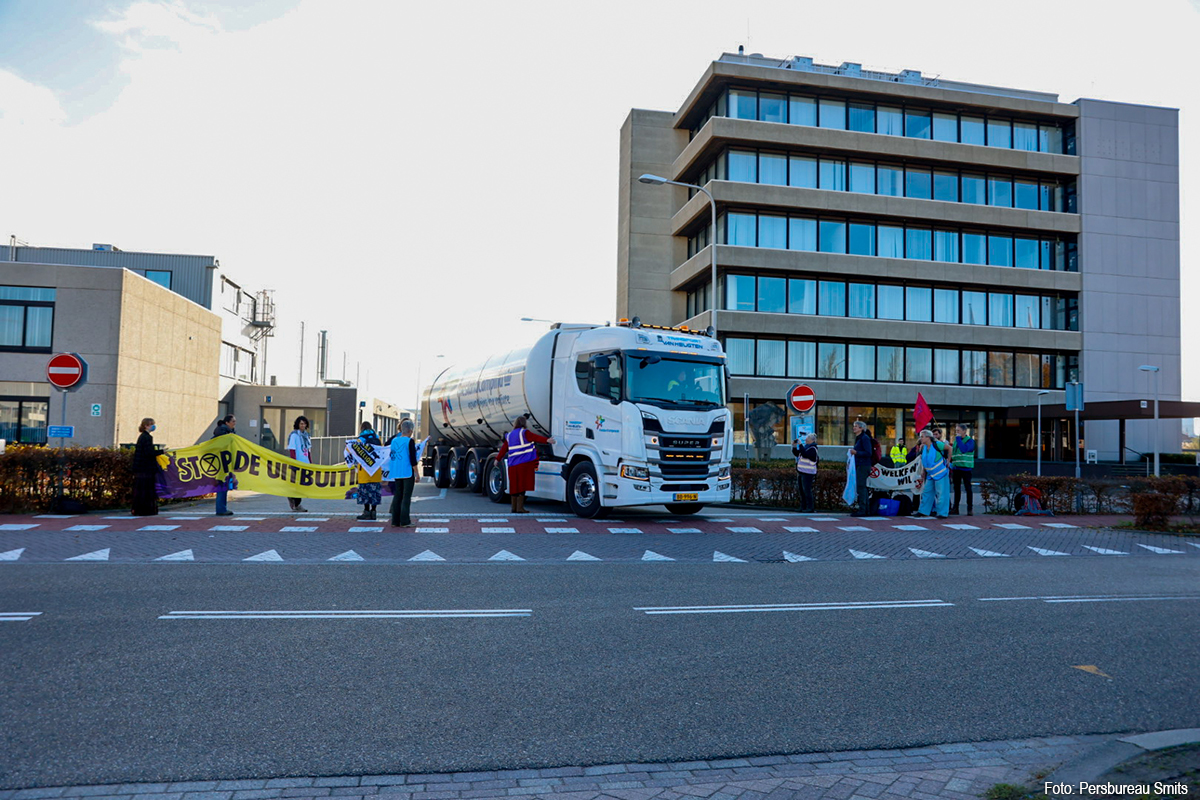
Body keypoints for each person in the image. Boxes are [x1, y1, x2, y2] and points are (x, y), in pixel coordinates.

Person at [497, 416, 554, 514]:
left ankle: (514, 508)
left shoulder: (509, 435)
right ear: (524, 423)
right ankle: (520, 508)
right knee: (522, 485)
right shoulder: (524, 432)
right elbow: (535, 437)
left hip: (512, 464)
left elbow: (504, 448)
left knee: (514, 485)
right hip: (523, 463)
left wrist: (497, 459)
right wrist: (547, 440)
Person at [386, 419, 430, 527]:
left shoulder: (394, 441)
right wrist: (417, 474)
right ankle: (405, 521)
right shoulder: (409, 441)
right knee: (406, 496)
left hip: (396, 471)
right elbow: (412, 459)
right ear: (410, 430)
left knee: (398, 495)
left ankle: (395, 521)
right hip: (407, 472)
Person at [913, 429, 950, 519]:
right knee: (927, 492)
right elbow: (925, 460)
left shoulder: (937, 444)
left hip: (940, 473)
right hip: (930, 474)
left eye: (922, 437)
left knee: (941, 493)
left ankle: (942, 513)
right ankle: (923, 511)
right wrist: (923, 471)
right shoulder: (924, 447)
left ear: (928, 437)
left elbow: (950, 448)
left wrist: (948, 461)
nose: (921, 438)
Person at [131, 417, 162, 516]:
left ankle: (138, 509)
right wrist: (161, 452)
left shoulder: (142, 437)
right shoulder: (147, 437)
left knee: (140, 489)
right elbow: (149, 452)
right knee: (147, 489)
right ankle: (146, 510)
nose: (153, 426)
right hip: (146, 468)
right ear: (146, 426)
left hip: (140, 467)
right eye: (151, 424)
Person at [355, 421, 383, 521]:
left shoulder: (360, 439)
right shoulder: (378, 438)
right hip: (376, 470)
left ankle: (366, 512)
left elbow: (353, 452)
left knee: (365, 492)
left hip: (365, 471)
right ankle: (374, 511)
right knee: (374, 492)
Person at [847, 420, 874, 517]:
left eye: (856, 426)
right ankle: (865, 509)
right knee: (862, 487)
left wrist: (857, 452)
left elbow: (868, 452)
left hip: (864, 465)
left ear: (861, 428)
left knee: (861, 487)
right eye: (854, 426)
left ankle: (863, 509)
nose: (854, 428)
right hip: (860, 464)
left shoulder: (864, 438)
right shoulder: (859, 438)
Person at [211, 414, 236, 516]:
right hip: (221, 463)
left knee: (223, 486)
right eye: (233, 421)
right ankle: (221, 509)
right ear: (227, 422)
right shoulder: (222, 433)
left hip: (225, 462)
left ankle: (222, 508)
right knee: (222, 485)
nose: (235, 423)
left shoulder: (227, 432)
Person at [950, 423, 977, 516]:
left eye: (958, 431)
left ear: (964, 431)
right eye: (956, 431)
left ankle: (970, 508)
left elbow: (964, 449)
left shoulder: (970, 441)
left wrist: (958, 439)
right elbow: (954, 453)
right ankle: (955, 508)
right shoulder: (956, 441)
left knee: (968, 488)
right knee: (956, 488)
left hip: (966, 468)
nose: (956, 433)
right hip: (956, 468)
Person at [286, 415, 312, 513]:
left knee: (304, 485)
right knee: (298, 485)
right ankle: (297, 504)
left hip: (305, 463)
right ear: (297, 424)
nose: (303, 425)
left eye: (304, 424)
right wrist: (294, 462)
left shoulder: (306, 436)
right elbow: (292, 449)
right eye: (301, 423)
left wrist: (310, 463)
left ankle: (292, 497)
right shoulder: (294, 435)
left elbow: (308, 451)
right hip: (298, 463)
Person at [792, 432, 819, 513]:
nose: (806, 440)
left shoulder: (813, 449)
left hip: (808, 473)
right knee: (801, 490)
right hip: (801, 471)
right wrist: (794, 446)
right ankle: (803, 506)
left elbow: (805, 455)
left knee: (807, 490)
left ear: (812, 440)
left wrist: (800, 445)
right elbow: (798, 454)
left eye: (807, 438)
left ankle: (810, 507)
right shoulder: (806, 447)